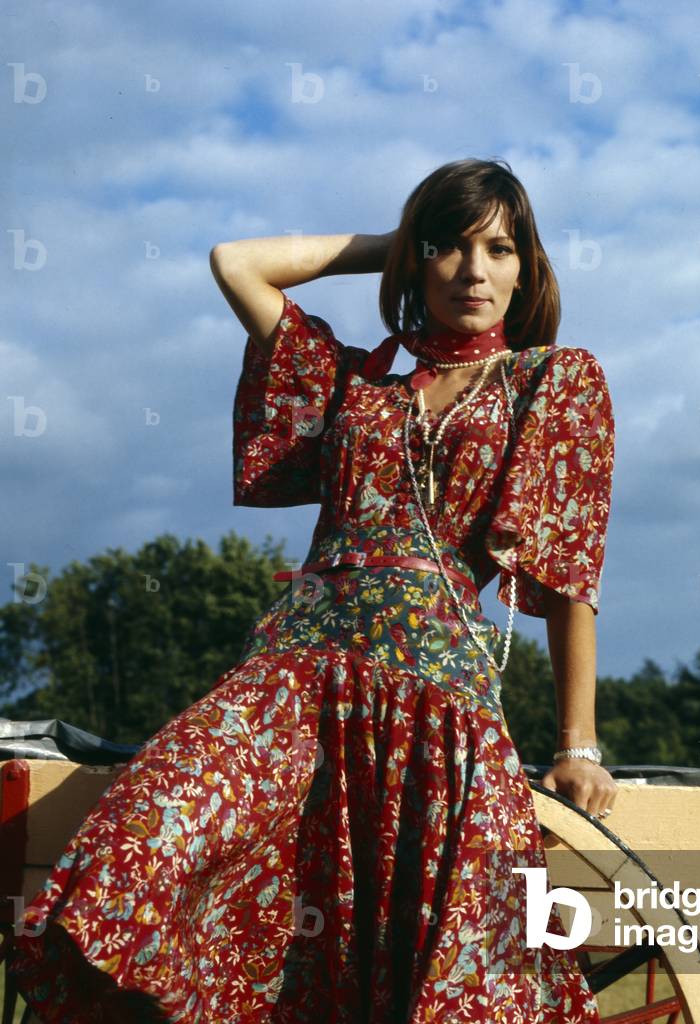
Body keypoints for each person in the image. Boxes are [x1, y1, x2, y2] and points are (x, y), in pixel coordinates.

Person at [7, 157, 618, 1022]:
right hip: (291, 680)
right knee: (147, 831)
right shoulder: (351, 380)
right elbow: (236, 262)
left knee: (452, 961)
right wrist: (392, 246)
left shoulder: (550, 383)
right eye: (448, 247)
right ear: (417, 259)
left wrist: (578, 746)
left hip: (435, 701)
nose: (473, 271)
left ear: (527, 268)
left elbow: (567, 577)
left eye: (498, 248)